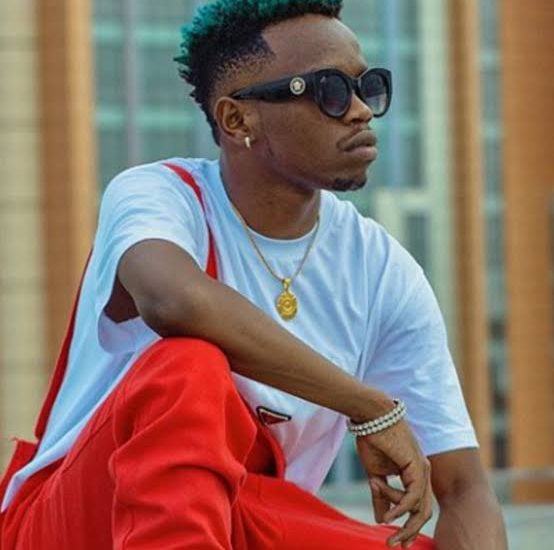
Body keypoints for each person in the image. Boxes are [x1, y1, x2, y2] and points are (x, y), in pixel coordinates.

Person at [0, 1, 507, 548]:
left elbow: (465, 489)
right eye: (330, 91)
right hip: (76, 518)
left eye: (368, 87)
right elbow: (175, 303)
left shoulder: (380, 269)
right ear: (237, 120)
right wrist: (368, 406)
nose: (361, 110)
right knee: (188, 365)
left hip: (242, 519)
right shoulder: (162, 197)